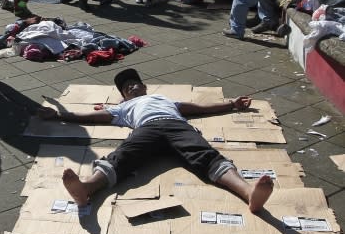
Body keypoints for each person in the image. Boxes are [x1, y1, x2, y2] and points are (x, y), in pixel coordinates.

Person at [37, 68, 274, 213]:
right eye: (126, 88)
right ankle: (86, 188)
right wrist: (60, 114)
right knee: (122, 155)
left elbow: (198, 108)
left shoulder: (163, 98)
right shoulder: (123, 107)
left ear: (145, 87)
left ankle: (247, 191)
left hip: (177, 126)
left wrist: (231, 104)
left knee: (206, 155)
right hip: (146, 129)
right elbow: (94, 116)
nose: (131, 87)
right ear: (123, 96)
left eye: (135, 83)